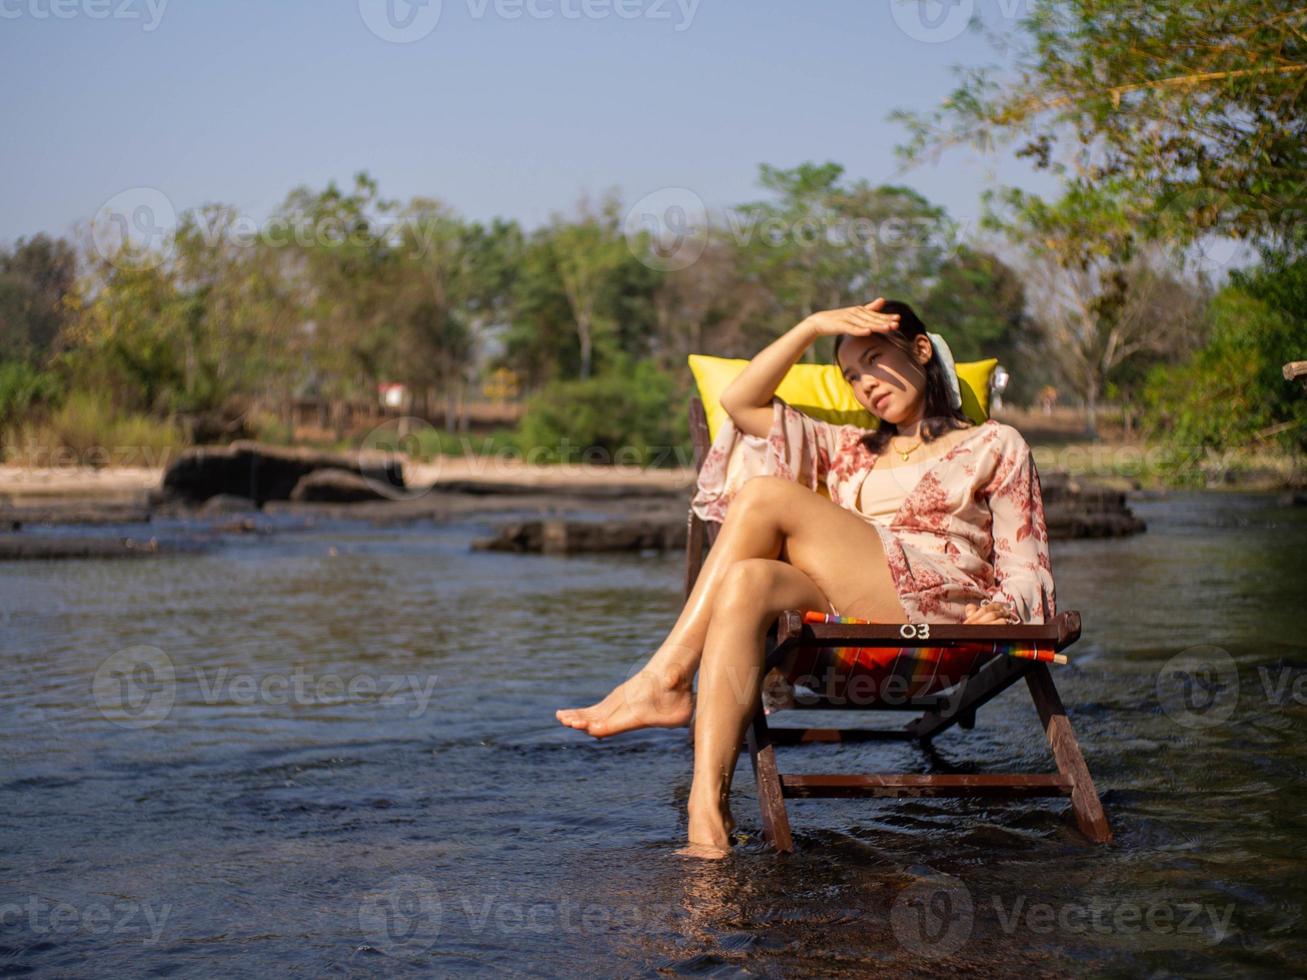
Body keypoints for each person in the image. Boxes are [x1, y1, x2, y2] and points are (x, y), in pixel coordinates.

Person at [555, 298, 1056, 859]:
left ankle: (666, 679)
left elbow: (1024, 557)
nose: (865, 383)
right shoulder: (848, 452)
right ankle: (708, 815)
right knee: (748, 581)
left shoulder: (994, 442)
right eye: (851, 375)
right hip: (845, 635)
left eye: (874, 359)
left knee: (765, 495)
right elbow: (740, 402)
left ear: (920, 350)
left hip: (939, 621)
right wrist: (812, 326)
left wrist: (1007, 615)